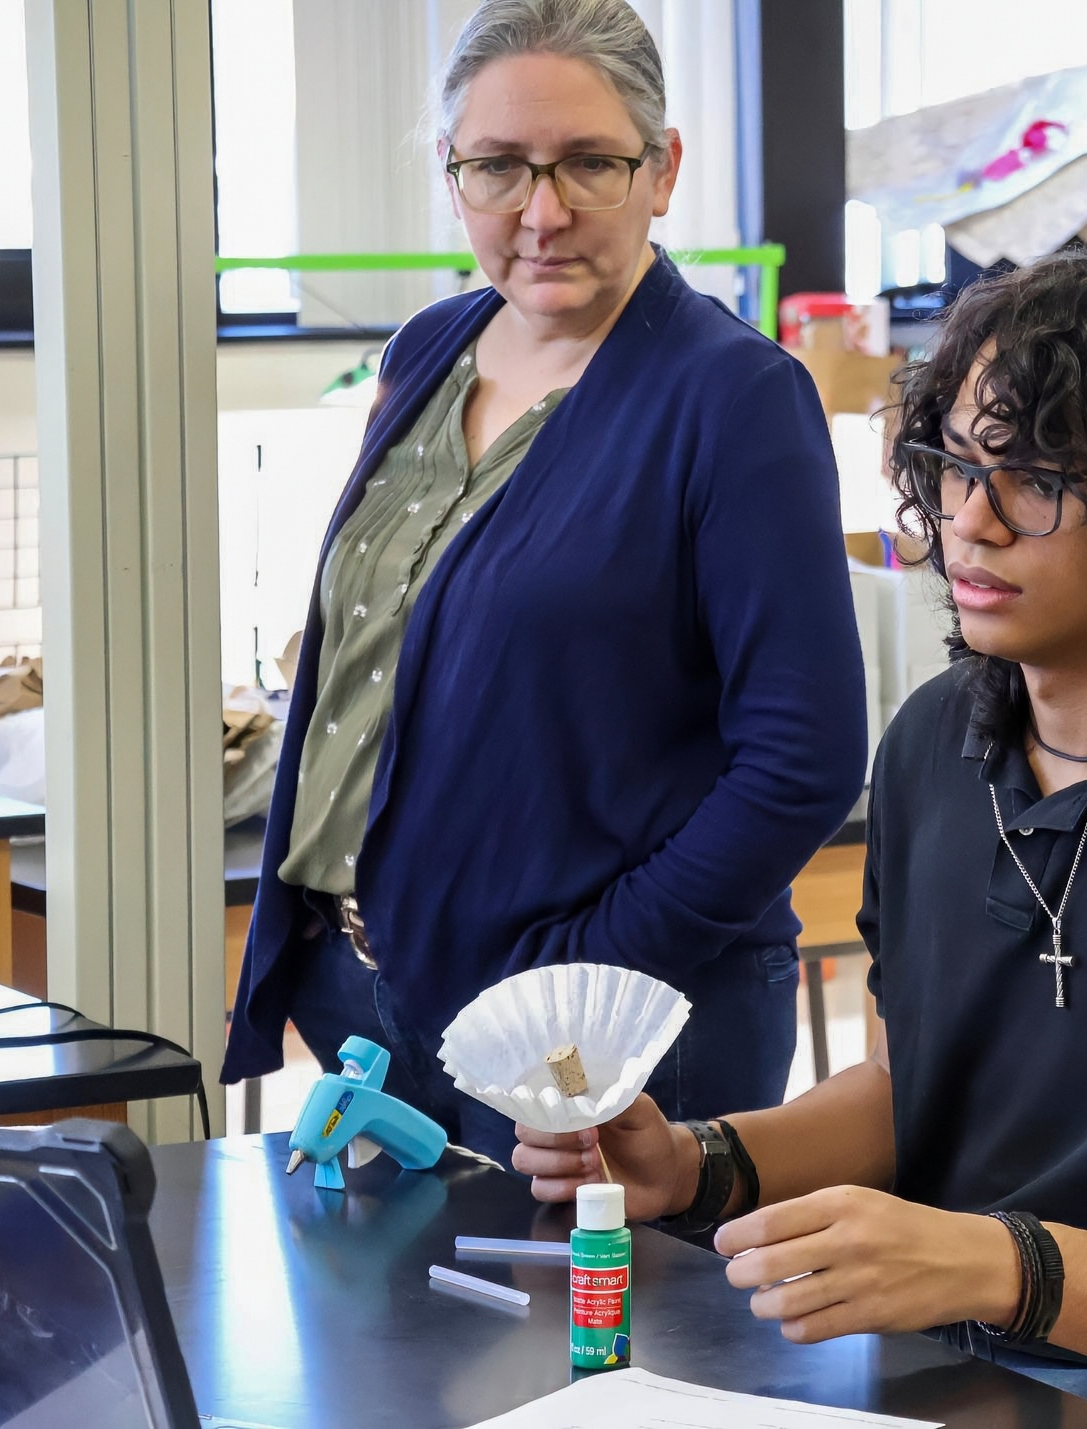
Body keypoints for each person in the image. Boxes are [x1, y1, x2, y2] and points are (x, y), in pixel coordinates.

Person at [514, 248, 1087, 1428]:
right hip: (971, 1361)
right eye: (955, 463)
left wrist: (982, 1263)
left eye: (1035, 476)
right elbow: (922, 1087)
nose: (968, 519)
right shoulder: (934, 745)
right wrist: (698, 1163)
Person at [220, 0, 867, 1162]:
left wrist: (583, 975)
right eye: (500, 169)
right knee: (388, 1339)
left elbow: (802, 757)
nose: (542, 211)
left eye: (588, 165)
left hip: (602, 1025)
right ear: (452, 172)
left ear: (661, 170)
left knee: (603, 1344)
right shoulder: (430, 349)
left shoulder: (733, 399)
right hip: (370, 986)